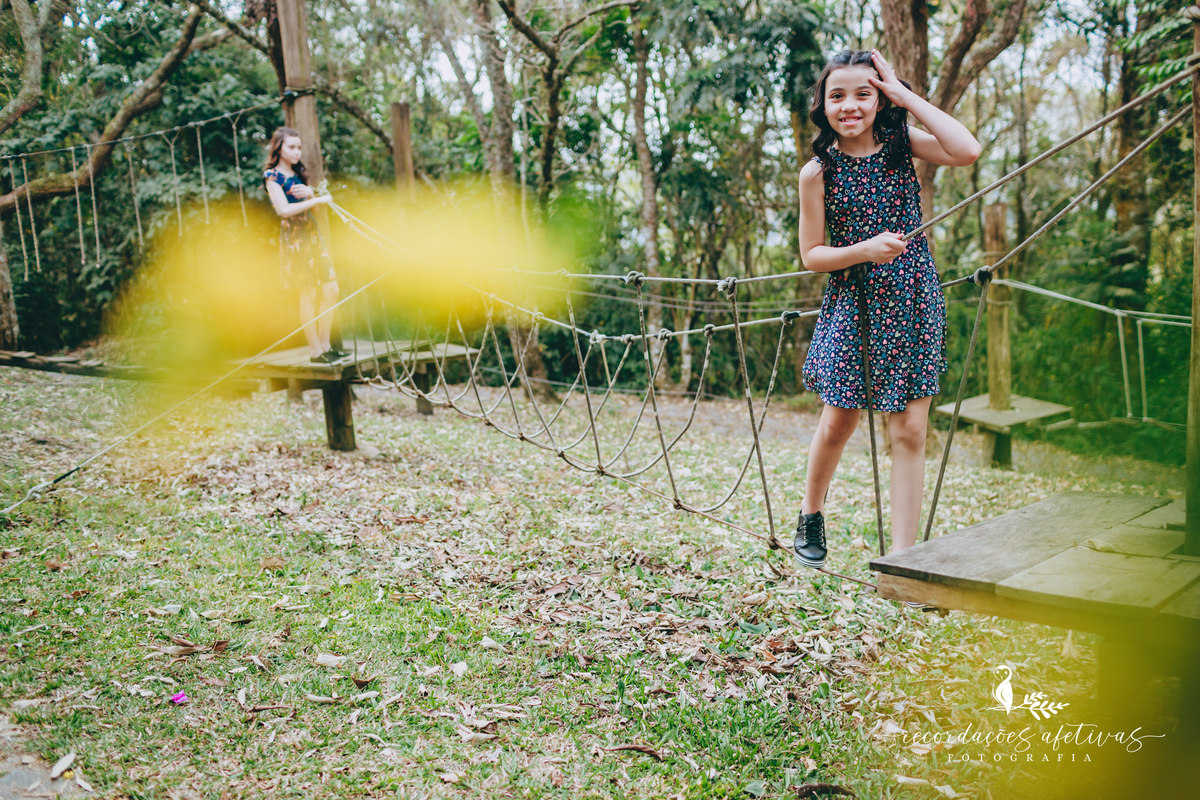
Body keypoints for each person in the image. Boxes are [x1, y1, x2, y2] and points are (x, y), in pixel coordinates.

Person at [793, 49, 981, 571]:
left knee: (910, 430)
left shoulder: (902, 143)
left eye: (864, 93)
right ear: (823, 105)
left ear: (878, 101)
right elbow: (812, 255)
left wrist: (903, 94)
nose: (850, 105)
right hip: (853, 302)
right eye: (837, 95)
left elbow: (967, 150)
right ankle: (811, 512)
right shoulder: (817, 172)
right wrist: (864, 250)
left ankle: (903, 556)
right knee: (840, 420)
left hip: (914, 297)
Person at [262, 127, 346, 363]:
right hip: (296, 238)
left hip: (312, 233)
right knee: (308, 292)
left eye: (299, 147)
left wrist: (311, 195)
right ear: (279, 148)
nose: (296, 152)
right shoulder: (272, 176)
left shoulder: (298, 174)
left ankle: (326, 346)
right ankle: (315, 352)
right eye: (291, 147)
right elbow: (283, 210)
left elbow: (315, 210)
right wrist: (318, 198)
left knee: (331, 289)